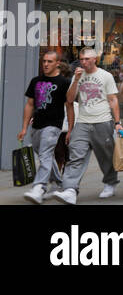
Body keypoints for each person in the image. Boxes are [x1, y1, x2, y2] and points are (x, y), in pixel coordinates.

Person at [49, 48, 123, 204]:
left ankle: (110, 182)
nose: (83, 62)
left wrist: (117, 123)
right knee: (75, 156)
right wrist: (75, 80)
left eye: (87, 59)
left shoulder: (106, 76)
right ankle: (70, 190)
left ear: (95, 59)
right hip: (82, 122)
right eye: (81, 59)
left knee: (105, 156)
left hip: (102, 121)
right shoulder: (78, 76)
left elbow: (113, 100)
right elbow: (69, 100)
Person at [19, 49, 73, 204]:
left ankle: (39, 187)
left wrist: (70, 128)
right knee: (44, 154)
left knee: (44, 154)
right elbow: (29, 105)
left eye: (50, 61)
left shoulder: (64, 83)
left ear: (57, 63)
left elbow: (69, 106)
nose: (46, 64)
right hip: (37, 125)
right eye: (44, 61)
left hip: (53, 125)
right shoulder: (35, 81)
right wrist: (24, 128)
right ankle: (58, 183)